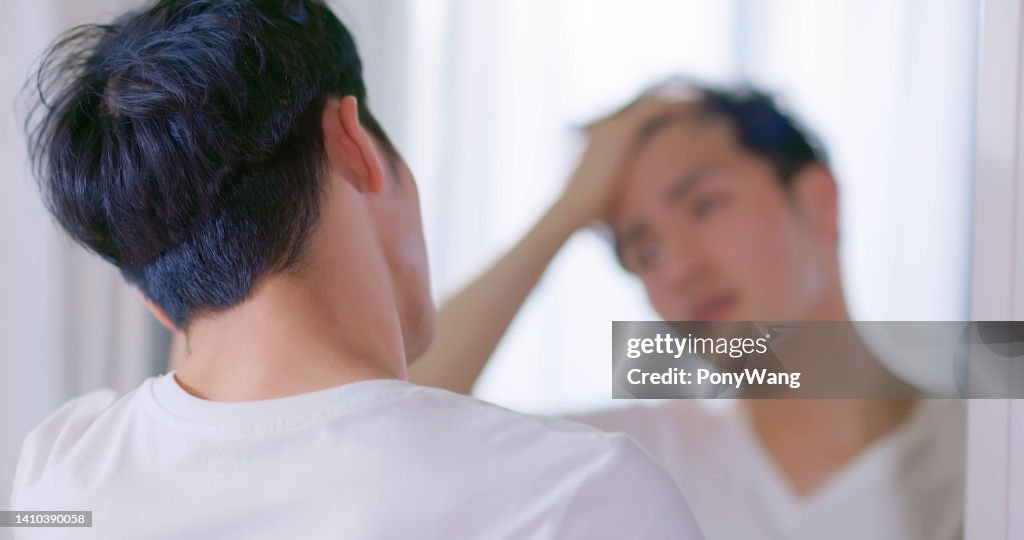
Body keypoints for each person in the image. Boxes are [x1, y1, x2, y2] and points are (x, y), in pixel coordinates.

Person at [10, 2, 703, 538]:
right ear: (355, 145)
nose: (677, 268)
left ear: (155, 301)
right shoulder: (578, 495)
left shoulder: (58, 475)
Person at [409, 80, 966, 540]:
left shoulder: (982, 449)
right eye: (645, 251)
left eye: (704, 205)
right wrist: (569, 208)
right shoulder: (632, 464)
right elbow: (403, 422)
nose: (677, 270)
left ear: (818, 202)